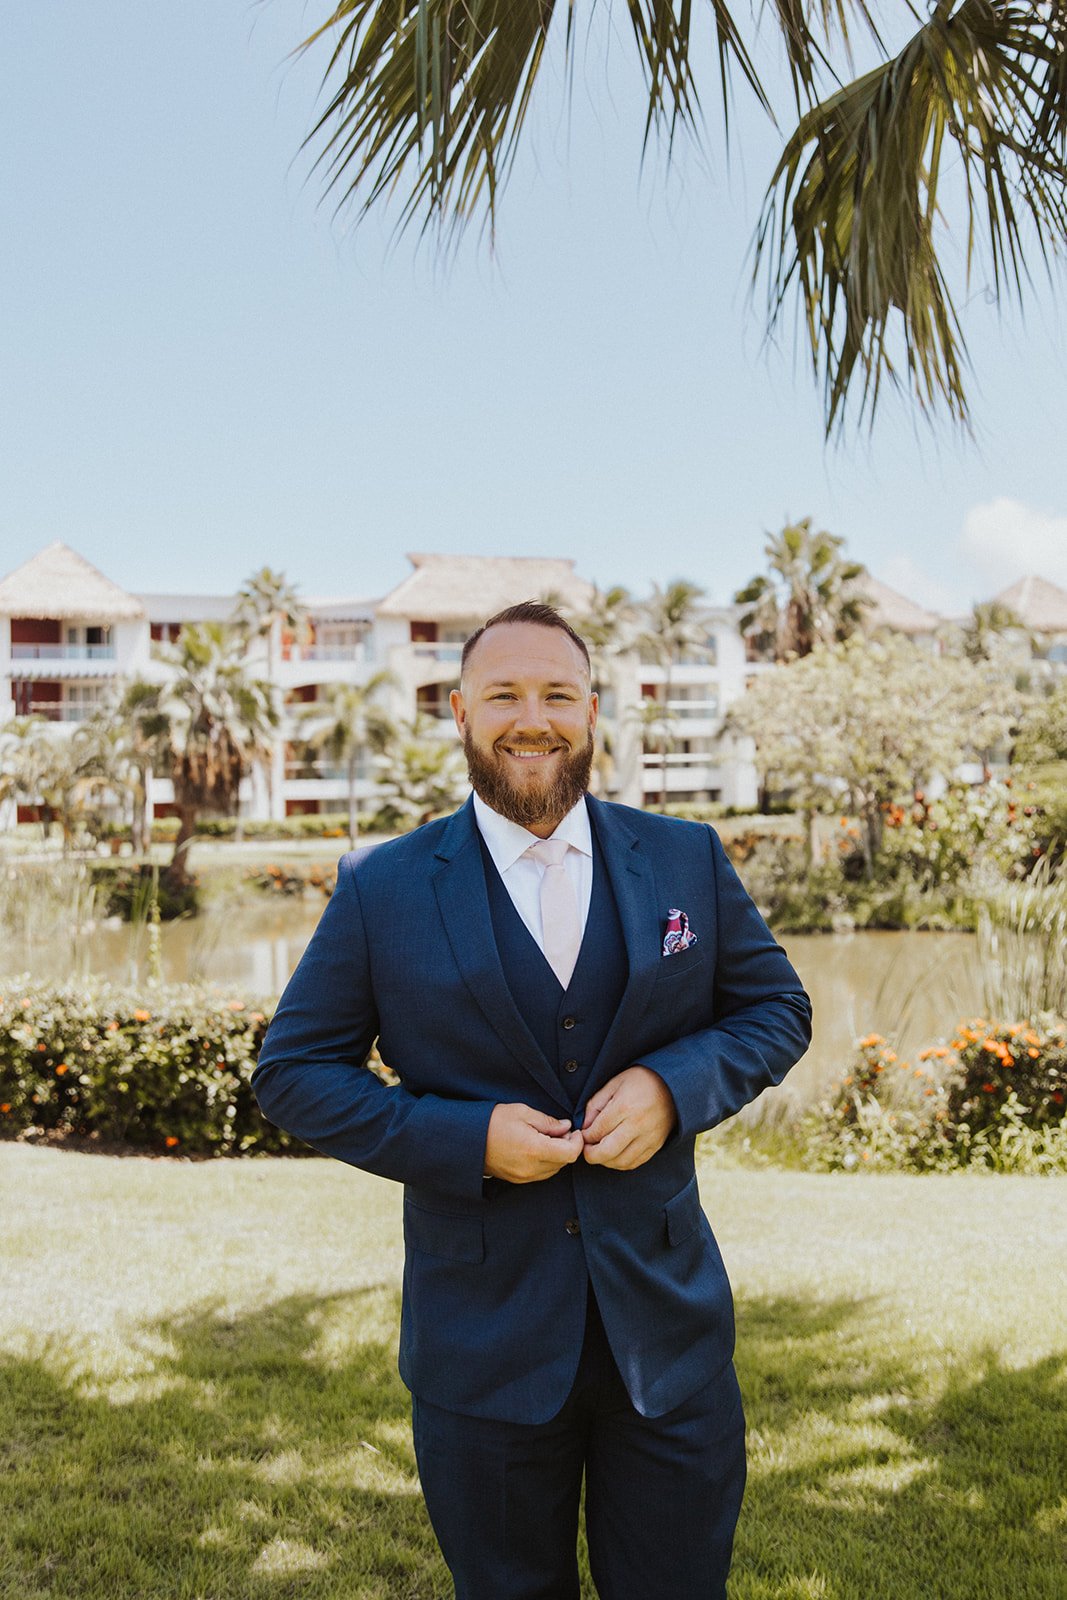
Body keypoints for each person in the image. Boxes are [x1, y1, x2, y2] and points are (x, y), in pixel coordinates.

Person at [251, 602, 812, 1600]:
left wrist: (672, 1087)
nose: (531, 717)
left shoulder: (686, 856)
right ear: (459, 711)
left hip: (669, 1339)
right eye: (503, 694)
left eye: (556, 693)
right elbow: (293, 1070)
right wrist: (464, 1139)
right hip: (481, 1348)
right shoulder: (380, 887)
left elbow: (773, 1006)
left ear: (592, 711)